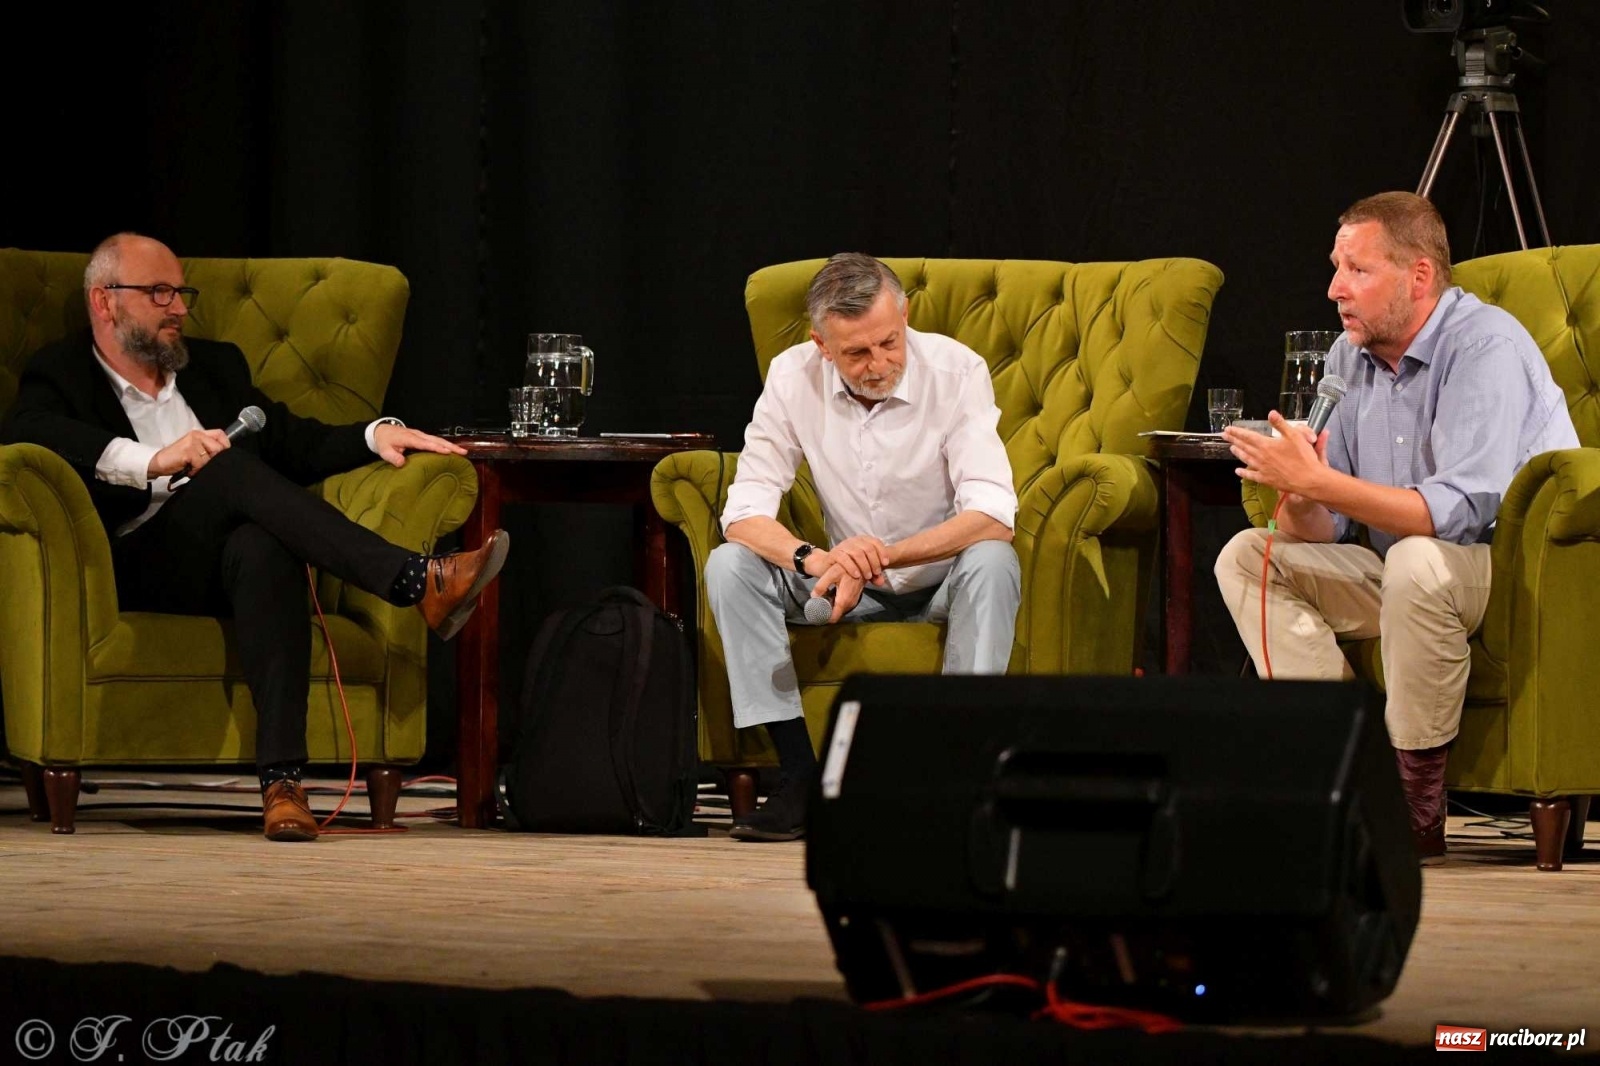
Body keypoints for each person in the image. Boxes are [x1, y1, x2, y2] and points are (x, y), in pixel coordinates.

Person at [1, 233, 511, 842]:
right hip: (132, 568)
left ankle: (283, 785)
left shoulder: (217, 367)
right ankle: (412, 578)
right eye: (160, 292)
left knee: (261, 544)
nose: (180, 308)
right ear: (104, 303)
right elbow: (33, 437)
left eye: (181, 292)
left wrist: (377, 435)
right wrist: (155, 459)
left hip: (228, 564)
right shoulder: (61, 373)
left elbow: (293, 440)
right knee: (225, 464)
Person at [1214, 192, 1579, 864]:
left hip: (1506, 575)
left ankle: (1415, 808)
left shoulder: (1485, 346)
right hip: (1408, 577)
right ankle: (1346, 769)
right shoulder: (1347, 361)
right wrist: (1298, 485)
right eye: (1334, 268)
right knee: (1249, 555)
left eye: (1356, 270)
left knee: (1417, 555)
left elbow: (1457, 510)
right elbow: (1327, 528)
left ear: (1418, 276)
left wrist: (1323, 483)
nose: (1334, 289)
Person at [708, 253, 1021, 842]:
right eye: (857, 353)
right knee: (730, 567)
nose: (880, 364)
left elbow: (992, 514)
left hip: (937, 580)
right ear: (822, 345)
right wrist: (819, 560)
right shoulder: (791, 375)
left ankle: (955, 777)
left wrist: (883, 554)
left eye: (890, 342)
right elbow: (745, 511)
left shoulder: (957, 371)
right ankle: (798, 776)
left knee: (993, 562)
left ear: (904, 315)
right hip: (842, 581)